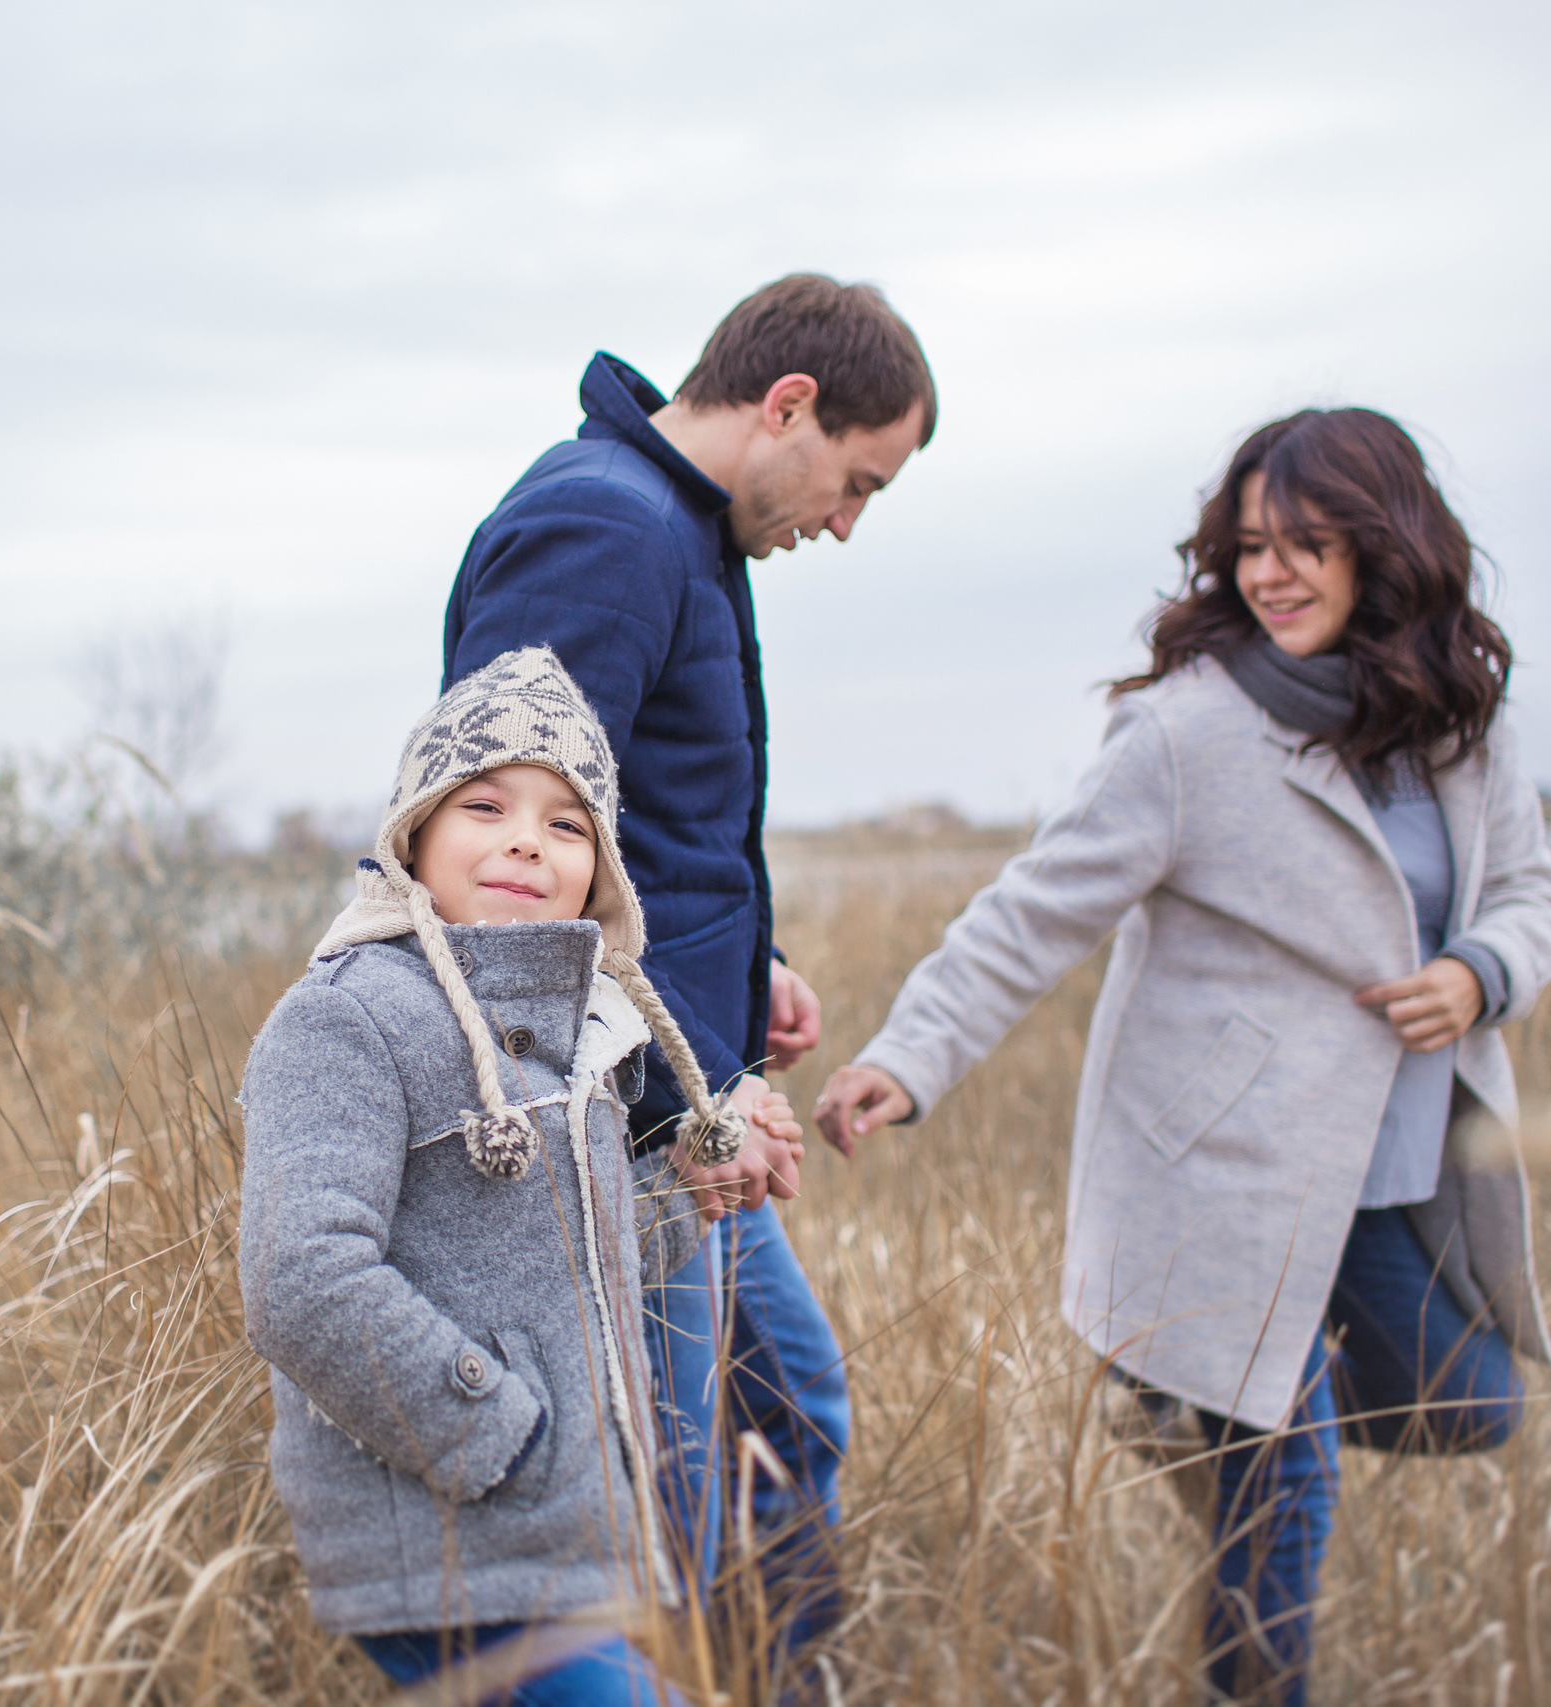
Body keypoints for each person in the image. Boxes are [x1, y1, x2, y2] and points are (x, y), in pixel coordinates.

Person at [815, 408, 1551, 1705]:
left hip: (1391, 1170)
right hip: (1228, 1177)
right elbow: (1033, 909)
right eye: (1251, 547)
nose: (1270, 574)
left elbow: (1531, 893)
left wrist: (1477, 972)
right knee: (1286, 1501)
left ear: (1386, 547)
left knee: (1474, 1402)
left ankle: (1199, 1401)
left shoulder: (1463, 722)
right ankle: (1233, 1426)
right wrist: (910, 1053)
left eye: (1305, 545)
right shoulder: (1188, 731)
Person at [443, 273, 937, 1671]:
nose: (843, 523)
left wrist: (745, 963)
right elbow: (502, 858)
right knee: (669, 1505)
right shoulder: (607, 530)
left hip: (688, 1100)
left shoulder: (676, 529)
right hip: (627, 1125)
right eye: (856, 482)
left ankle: (773, 1679)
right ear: (789, 404)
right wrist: (672, 1109)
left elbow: (635, 825)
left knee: (788, 1410)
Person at [238, 647, 798, 1705]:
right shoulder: (348, 1016)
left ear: (601, 868)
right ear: (416, 829)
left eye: (567, 824)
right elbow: (299, 1280)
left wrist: (691, 1186)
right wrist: (499, 1431)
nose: (526, 841)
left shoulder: (582, 1038)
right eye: (485, 806)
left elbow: (573, 1265)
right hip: (452, 1543)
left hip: (556, 1541)